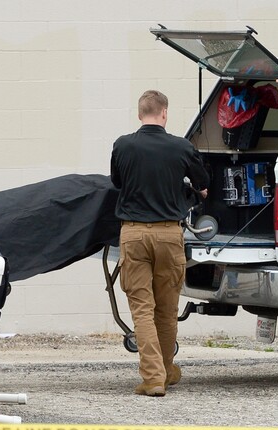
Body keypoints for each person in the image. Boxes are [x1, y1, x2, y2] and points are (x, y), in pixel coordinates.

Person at [110, 90, 209, 397]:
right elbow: (203, 185)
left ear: (140, 114)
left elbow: (116, 182)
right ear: (164, 114)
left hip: (134, 235)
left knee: (142, 308)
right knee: (166, 310)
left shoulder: (123, 145)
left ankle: (155, 376)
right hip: (169, 235)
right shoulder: (181, 147)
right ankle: (163, 372)